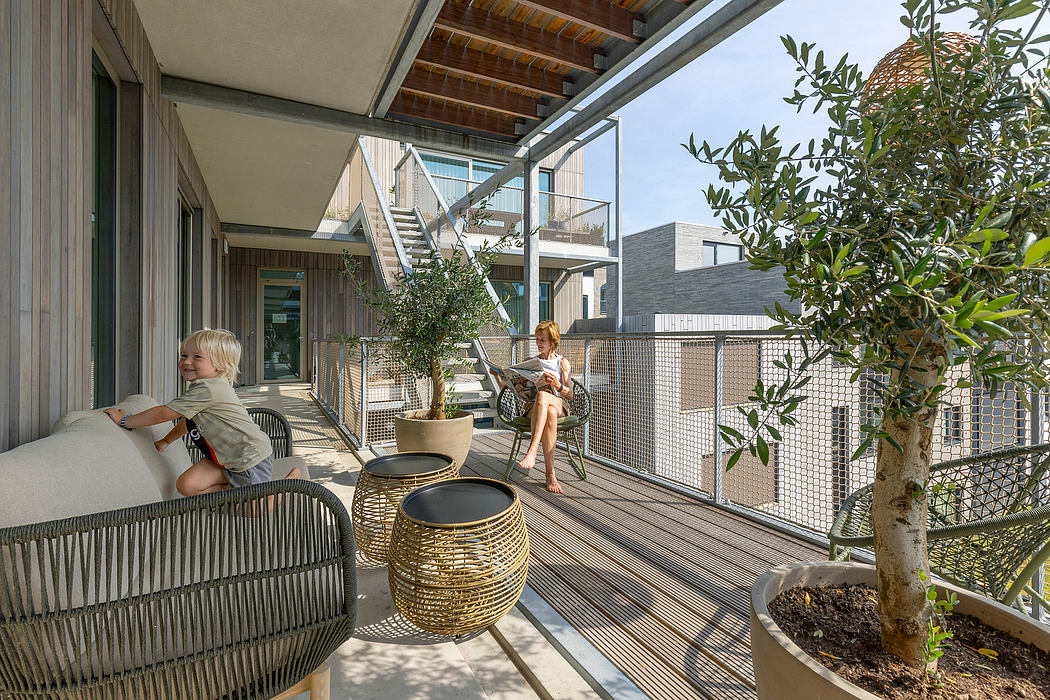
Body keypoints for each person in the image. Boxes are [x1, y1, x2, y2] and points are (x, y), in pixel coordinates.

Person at [104, 328, 301, 497]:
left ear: (220, 366)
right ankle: (236, 494)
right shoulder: (204, 388)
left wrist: (125, 421)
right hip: (225, 459)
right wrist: (166, 440)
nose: (187, 361)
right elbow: (190, 420)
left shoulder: (209, 389)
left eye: (197, 357)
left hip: (247, 459)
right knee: (186, 486)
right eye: (184, 355)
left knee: (253, 511)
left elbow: (163, 414)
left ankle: (284, 489)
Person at [491, 320, 572, 494]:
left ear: (553, 341)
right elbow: (509, 388)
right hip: (534, 409)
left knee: (545, 397)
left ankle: (532, 450)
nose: (538, 343)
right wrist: (499, 377)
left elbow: (570, 394)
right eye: (537, 339)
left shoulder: (562, 363)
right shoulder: (530, 361)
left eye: (542, 339)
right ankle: (550, 474)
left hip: (559, 404)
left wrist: (557, 385)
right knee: (546, 407)